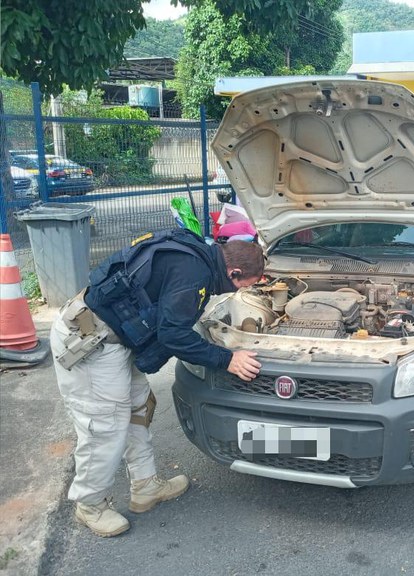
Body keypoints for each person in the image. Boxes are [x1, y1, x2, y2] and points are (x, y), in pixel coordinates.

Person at [50, 229, 264, 537]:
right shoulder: (194, 274)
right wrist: (227, 359)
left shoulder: (199, 253)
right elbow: (173, 334)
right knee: (104, 426)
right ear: (234, 272)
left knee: (139, 408)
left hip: (117, 339)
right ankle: (89, 505)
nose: (244, 289)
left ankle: (145, 487)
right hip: (89, 342)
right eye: (247, 284)